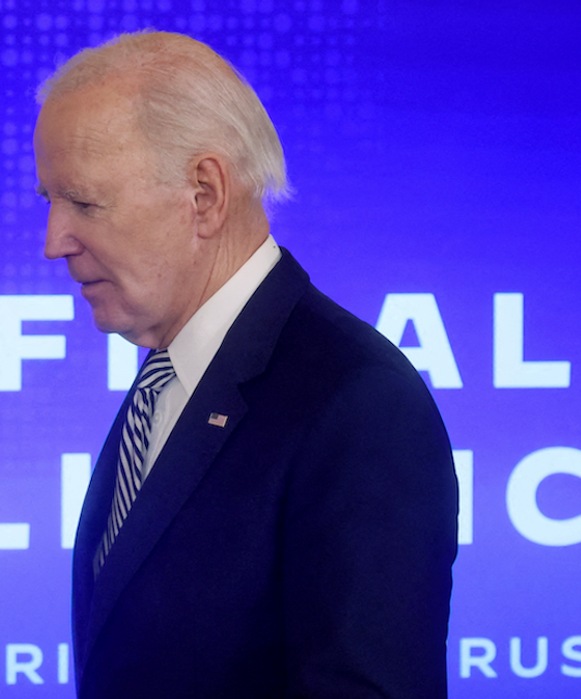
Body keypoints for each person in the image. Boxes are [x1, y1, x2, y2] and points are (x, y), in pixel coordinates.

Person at [34, 31, 458, 697]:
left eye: (84, 202)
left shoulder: (355, 402)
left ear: (203, 193)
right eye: (49, 202)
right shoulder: (170, 372)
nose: (53, 241)